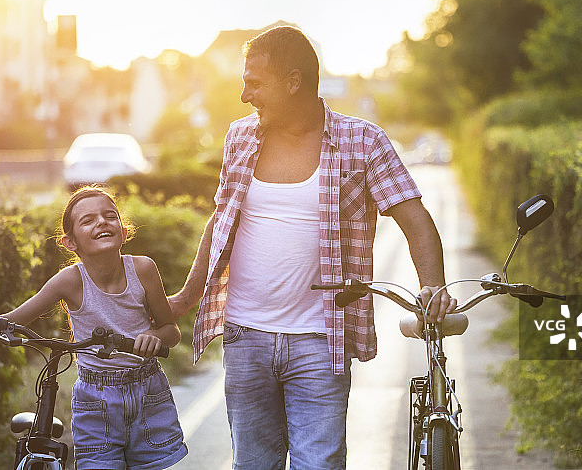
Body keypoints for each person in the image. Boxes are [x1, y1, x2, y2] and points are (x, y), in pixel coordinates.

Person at [168, 25, 456, 470]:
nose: (245, 96)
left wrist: (432, 287)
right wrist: (185, 298)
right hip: (245, 336)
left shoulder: (363, 141)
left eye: (255, 83)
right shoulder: (240, 137)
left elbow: (415, 219)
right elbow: (221, 221)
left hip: (321, 339)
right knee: (253, 464)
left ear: (293, 82)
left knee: (319, 464)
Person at [0, 186, 188, 470]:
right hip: (96, 400)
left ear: (124, 232)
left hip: (148, 392)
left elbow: (171, 331)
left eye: (109, 216)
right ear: (70, 242)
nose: (101, 222)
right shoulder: (69, 280)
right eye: (88, 220)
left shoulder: (143, 269)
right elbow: (12, 321)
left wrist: (154, 336)